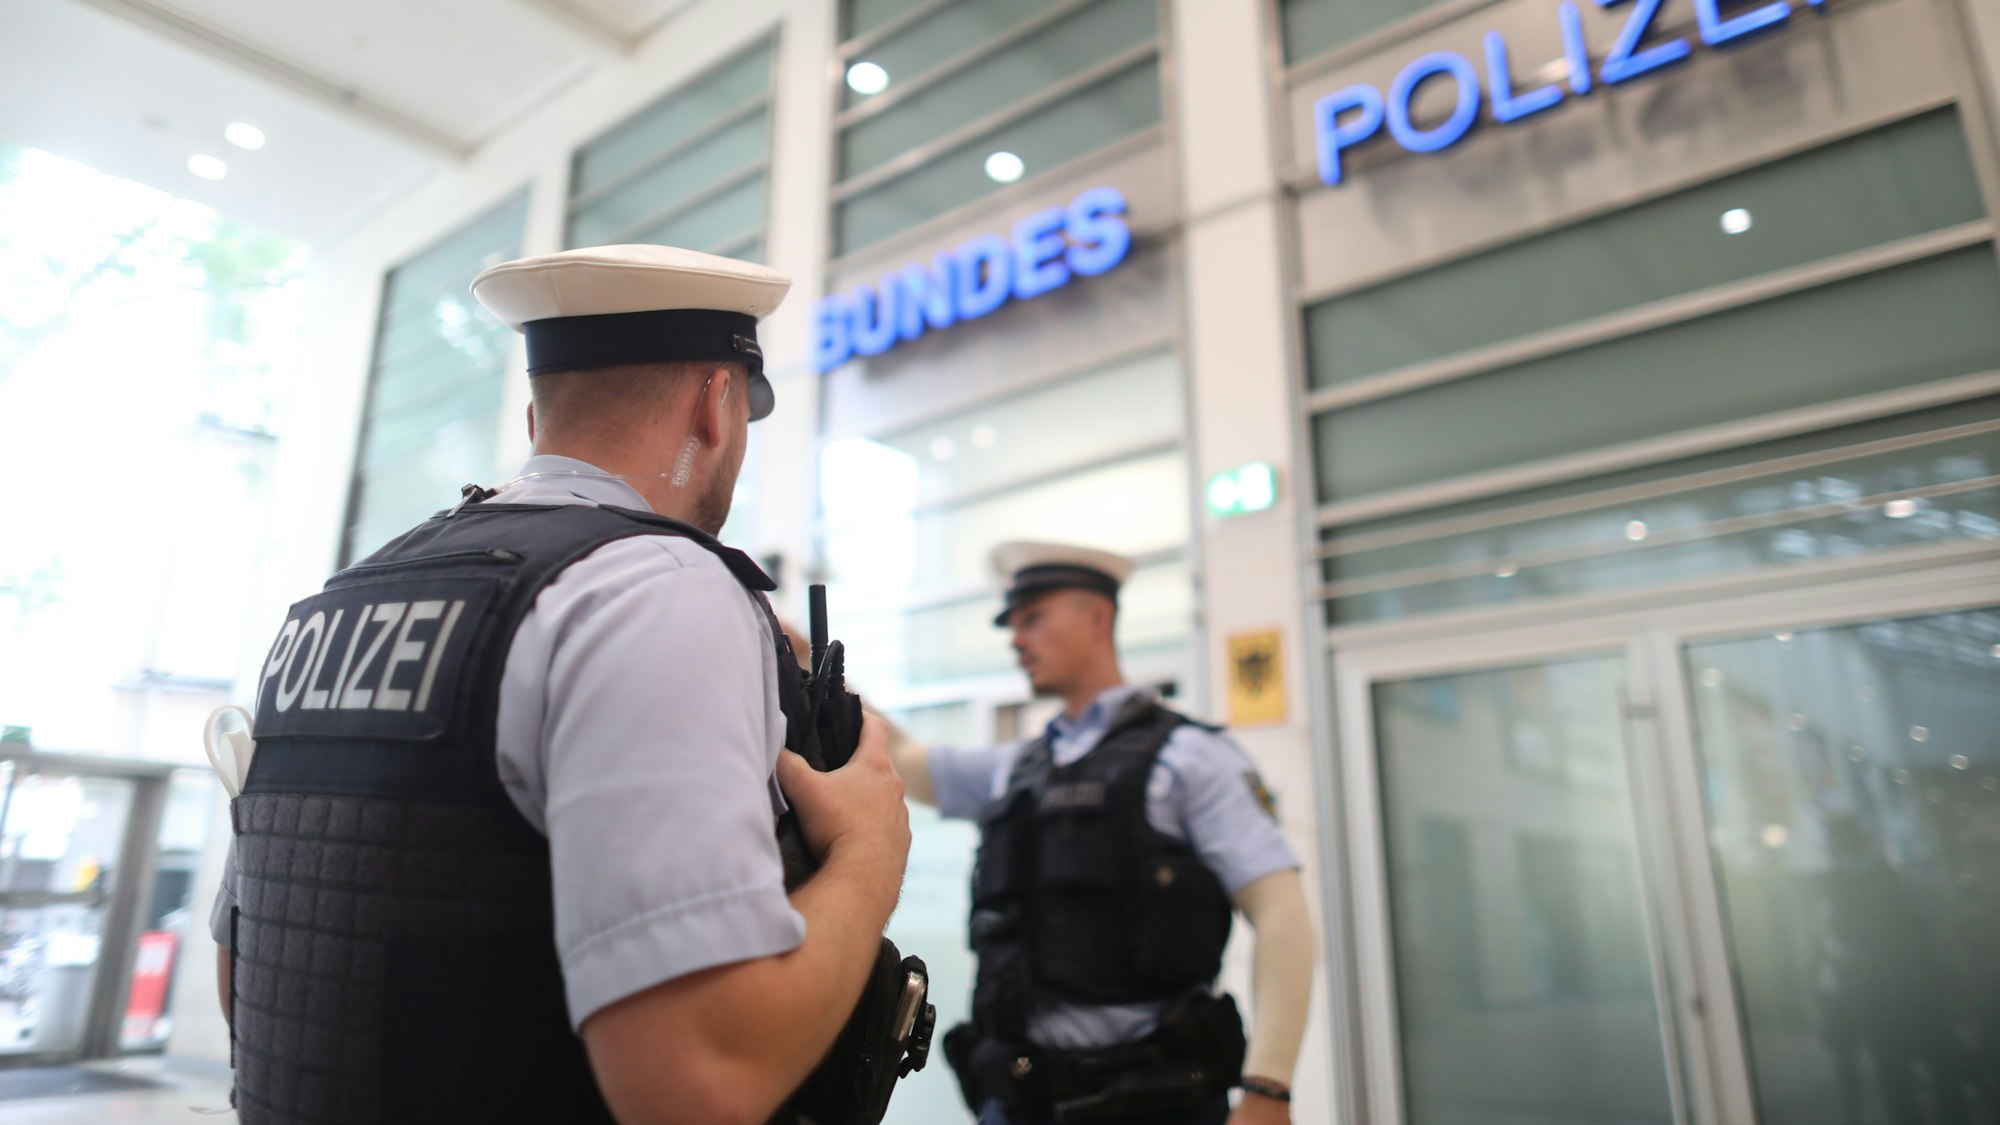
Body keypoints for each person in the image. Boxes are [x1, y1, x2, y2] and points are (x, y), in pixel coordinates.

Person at [206, 245, 912, 1124]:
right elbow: (701, 1084)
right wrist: (871, 853)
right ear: (714, 405)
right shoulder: (655, 587)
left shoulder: (338, 601)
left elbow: (256, 971)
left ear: (540, 418)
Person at [885, 542, 1316, 1125]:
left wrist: (1268, 1089)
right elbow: (906, 758)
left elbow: (1281, 913)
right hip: (1020, 1100)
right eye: (1011, 624)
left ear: (1098, 618)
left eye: (1032, 618)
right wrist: (811, 667)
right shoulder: (1020, 768)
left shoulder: (1191, 758)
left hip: (1154, 1102)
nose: (1016, 638)